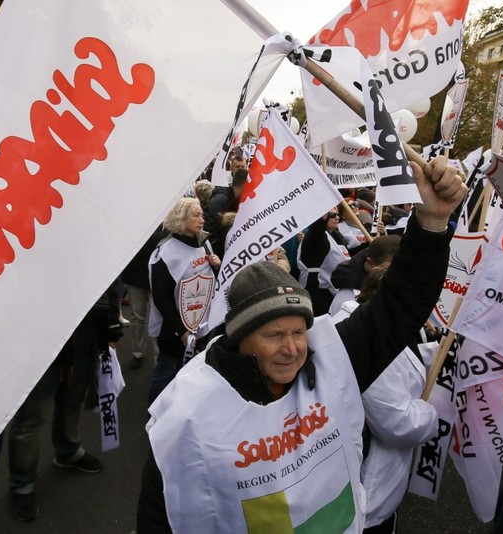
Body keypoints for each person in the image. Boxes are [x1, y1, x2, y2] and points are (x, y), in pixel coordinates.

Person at [136, 156, 466, 533]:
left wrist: (432, 223)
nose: (292, 349)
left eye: (298, 332)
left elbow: (401, 303)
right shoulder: (188, 413)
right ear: (241, 336)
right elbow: (161, 514)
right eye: (274, 335)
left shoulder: (330, 360)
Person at [332, 265, 438, 533]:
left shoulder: (383, 325)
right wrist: (431, 411)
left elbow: (408, 364)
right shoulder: (368, 341)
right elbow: (397, 423)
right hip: (369, 484)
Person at [8, 286, 120, 522]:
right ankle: (22, 485)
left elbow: (111, 280)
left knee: (71, 403)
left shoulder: (93, 250)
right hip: (40, 345)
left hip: (84, 339)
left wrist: (111, 329)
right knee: (30, 418)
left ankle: (68, 451)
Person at [147, 197, 221, 405]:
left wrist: (217, 267)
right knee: (167, 372)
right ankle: (154, 415)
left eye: (202, 215)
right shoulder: (165, 253)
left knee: (192, 373)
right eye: (196, 215)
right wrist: (182, 330)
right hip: (174, 331)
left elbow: (211, 282)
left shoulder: (204, 243)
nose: (202, 220)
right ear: (181, 218)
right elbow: (162, 298)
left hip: (201, 325)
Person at [121, 225, 165, 370]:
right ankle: (138, 353)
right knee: (138, 317)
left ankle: (156, 357)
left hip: (155, 276)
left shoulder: (166, 220)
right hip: (136, 274)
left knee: (154, 317)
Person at [297, 206, 351, 315]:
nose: (337, 217)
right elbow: (317, 229)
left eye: (337, 215)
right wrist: (323, 212)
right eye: (332, 215)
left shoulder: (337, 236)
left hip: (333, 287)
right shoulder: (314, 236)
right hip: (316, 289)